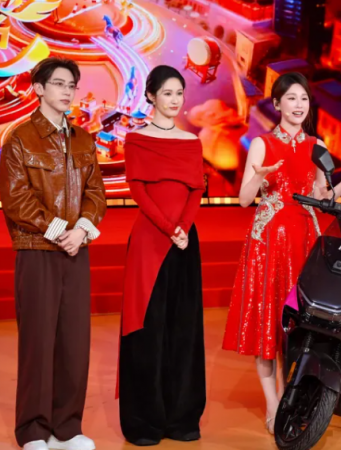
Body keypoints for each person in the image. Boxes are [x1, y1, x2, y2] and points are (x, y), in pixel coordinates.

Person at [221, 72, 341, 433]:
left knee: (299, 322)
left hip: (306, 239)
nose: (298, 105)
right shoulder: (262, 144)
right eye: (291, 98)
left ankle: (295, 395)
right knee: (268, 322)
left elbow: (322, 197)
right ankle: (273, 404)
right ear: (277, 104)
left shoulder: (316, 145)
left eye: (303, 98)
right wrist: (259, 175)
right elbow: (244, 199)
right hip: (269, 241)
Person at [0, 57, 106, 450]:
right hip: (37, 250)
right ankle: (33, 430)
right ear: (39, 88)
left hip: (76, 249)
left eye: (71, 85)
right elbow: (16, 200)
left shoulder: (84, 139)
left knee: (74, 343)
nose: (67, 91)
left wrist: (82, 231)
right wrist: (61, 232)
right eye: (59, 83)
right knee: (38, 344)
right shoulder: (20, 139)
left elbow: (96, 192)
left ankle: (67, 427)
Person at [118, 65, 206, 445]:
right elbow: (138, 190)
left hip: (185, 241)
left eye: (179, 93)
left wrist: (182, 228)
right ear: (151, 96)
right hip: (151, 241)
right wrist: (170, 228)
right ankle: (145, 420)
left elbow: (196, 189)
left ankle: (182, 417)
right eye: (167, 93)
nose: (175, 100)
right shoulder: (137, 140)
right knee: (148, 329)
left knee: (184, 329)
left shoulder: (191, 141)